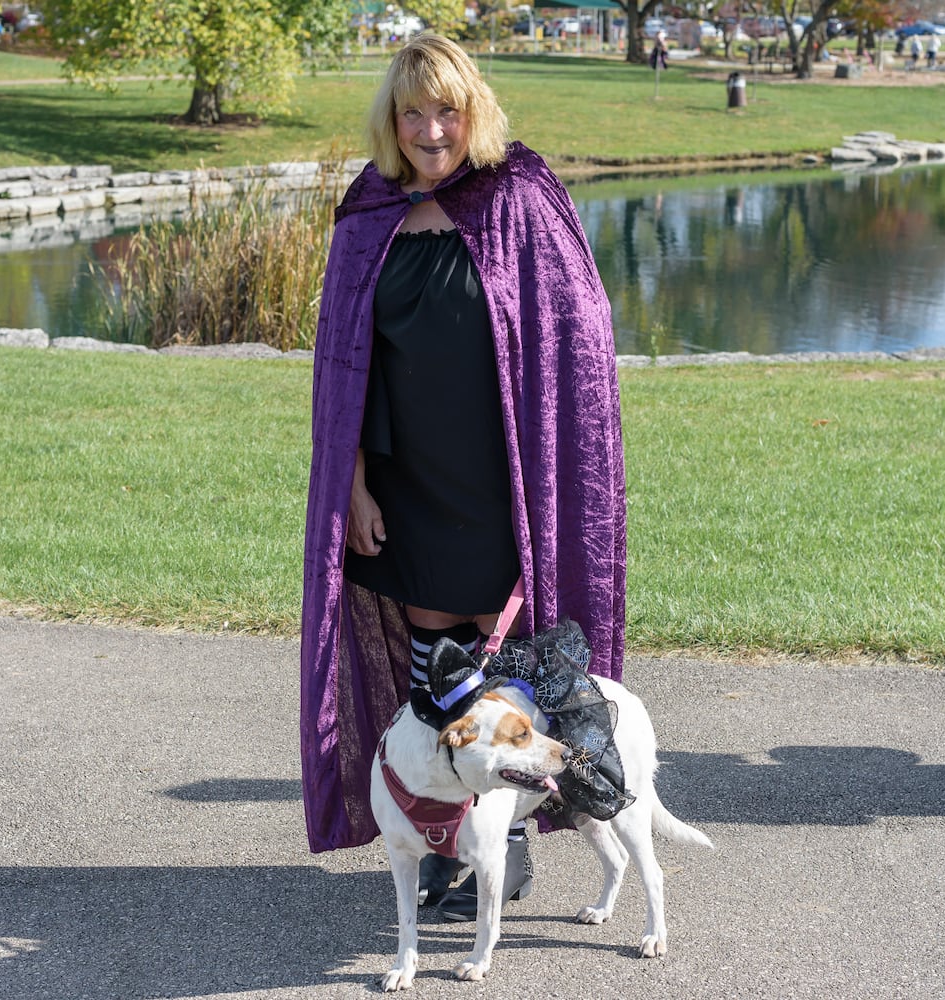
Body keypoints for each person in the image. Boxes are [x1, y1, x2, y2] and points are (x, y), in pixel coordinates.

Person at [300, 32, 626, 920]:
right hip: (406, 480)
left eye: (447, 110)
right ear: (392, 122)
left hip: (502, 475)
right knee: (434, 661)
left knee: (505, 654)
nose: (432, 130)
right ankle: (445, 832)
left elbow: (579, 331)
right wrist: (356, 484)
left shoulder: (518, 193)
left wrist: (551, 479)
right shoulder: (369, 209)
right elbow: (343, 369)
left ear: (472, 111)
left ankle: (507, 834)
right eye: (414, 113)